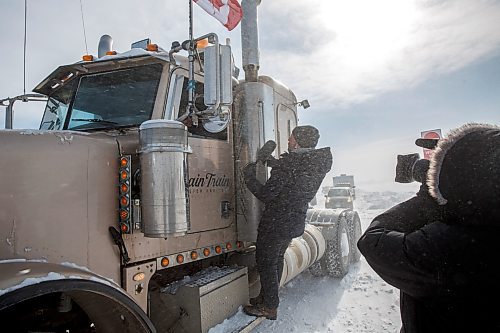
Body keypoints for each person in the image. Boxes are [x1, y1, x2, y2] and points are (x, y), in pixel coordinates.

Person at [357, 123, 500, 333]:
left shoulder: (451, 247)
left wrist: (428, 196)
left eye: (439, 169)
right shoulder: (483, 220)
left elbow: (373, 241)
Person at [242, 125, 333, 320]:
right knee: (277, 259)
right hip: (293, 220)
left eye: (291, 138)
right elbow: (295, 175)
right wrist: (272, 162)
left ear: (298, 142)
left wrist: (248, 177)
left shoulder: (290, 165)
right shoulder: (313, 163)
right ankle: (267, 297)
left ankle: (269, 307)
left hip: (276, 221)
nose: (289, 141)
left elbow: (267, 194)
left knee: (266, 262)